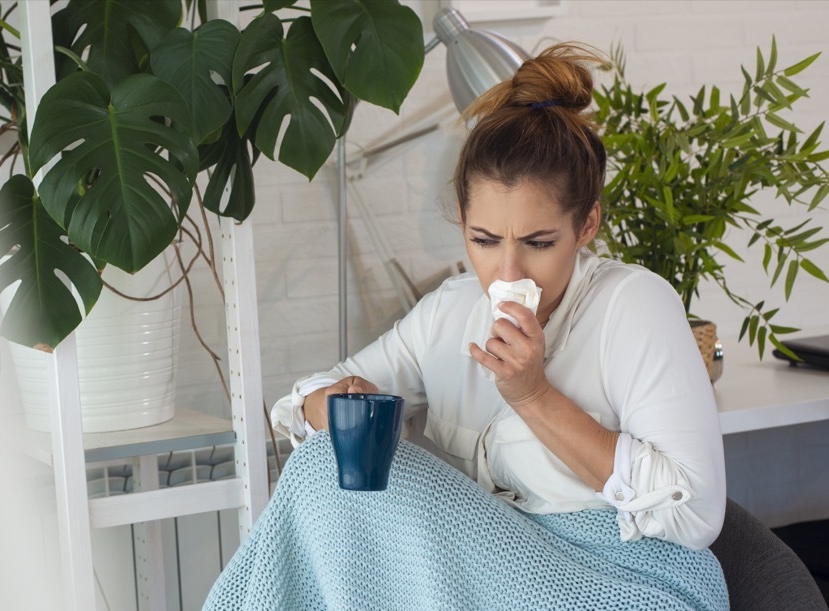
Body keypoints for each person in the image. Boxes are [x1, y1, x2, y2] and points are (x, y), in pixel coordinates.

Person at [270, 43, 725, 551]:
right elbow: (305, 402)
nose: (506, 271)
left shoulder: (634, 307)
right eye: (484, 241)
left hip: (610, 580)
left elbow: (696, 515)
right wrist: (326, 405)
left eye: (539, 243)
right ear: (462, 223)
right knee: (313, 479)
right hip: (481, 579)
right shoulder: (449, 311)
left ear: (587, 224)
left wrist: (535, 397)